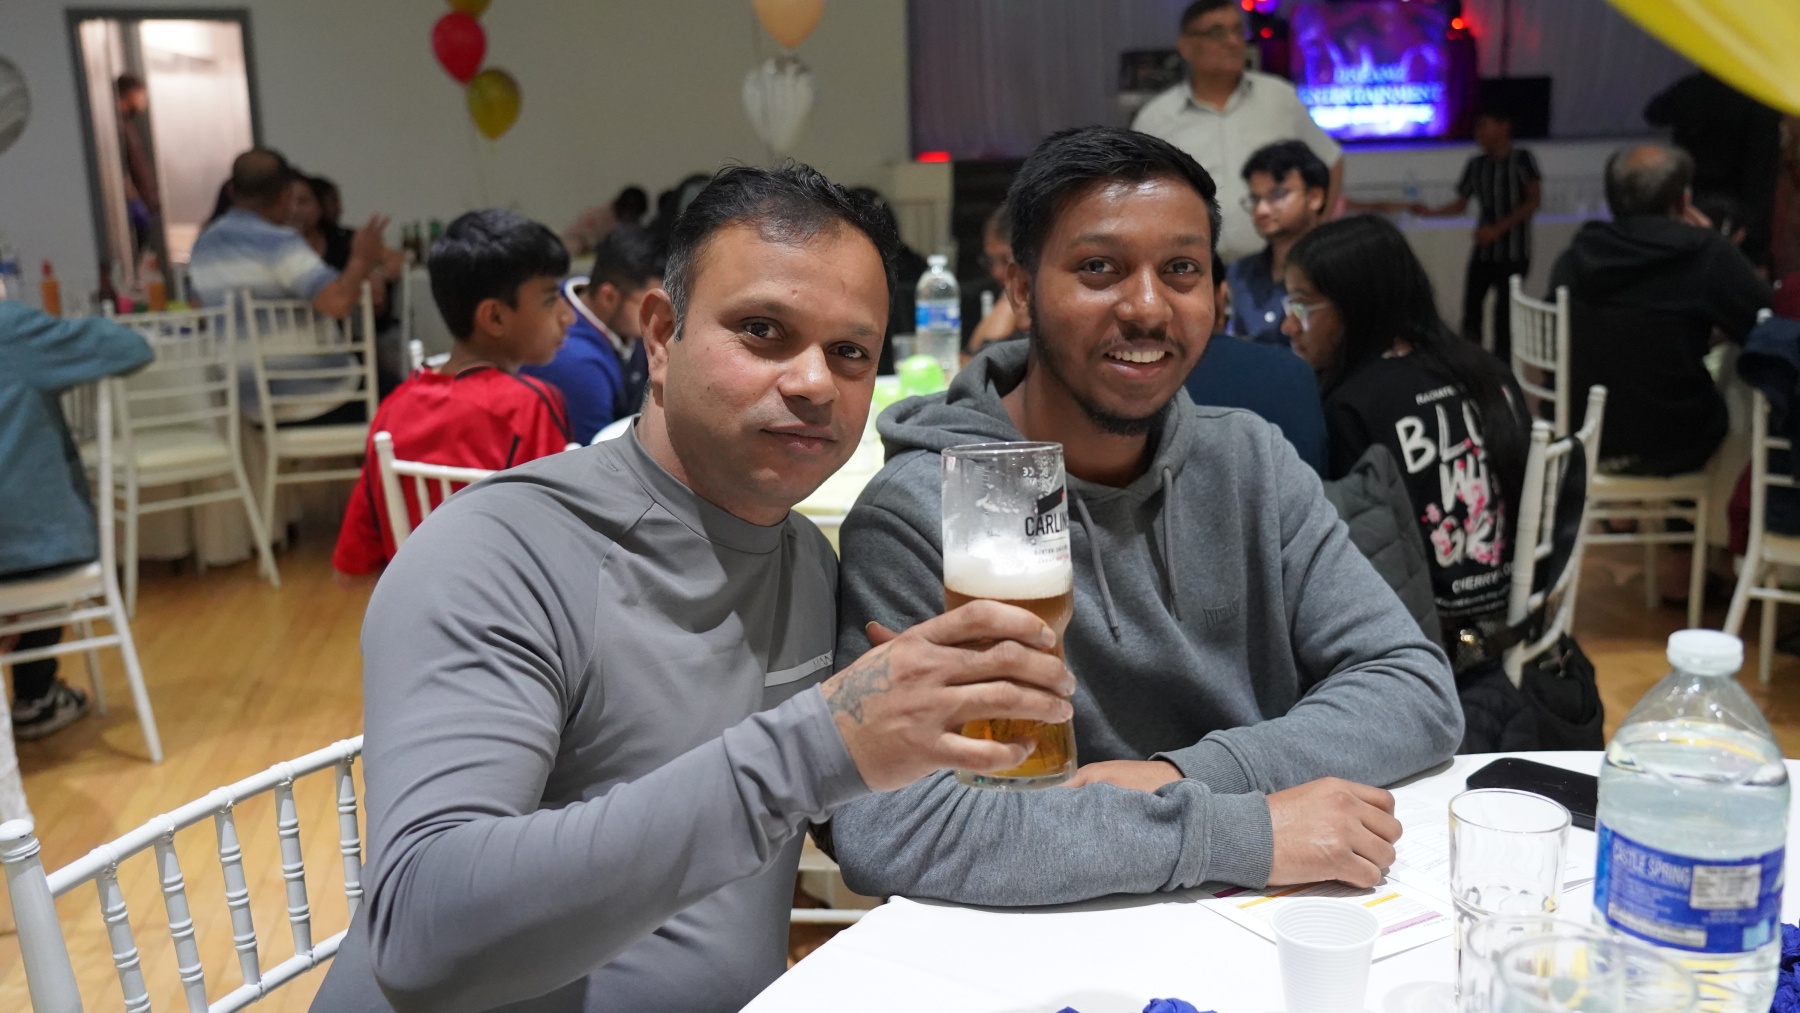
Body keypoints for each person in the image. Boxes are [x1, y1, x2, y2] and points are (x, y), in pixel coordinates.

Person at [307, 165, 1077, 1013]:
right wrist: (817, 745)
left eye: (850, 352)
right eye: (762, 330)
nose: (815, 382)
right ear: (661, 336)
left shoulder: (808, 562)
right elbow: (420, 935)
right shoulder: (500, 550)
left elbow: (864, 814)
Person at [825, 126, 1458, 909]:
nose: (1148, 307)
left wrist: (1181, 775)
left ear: (1217, 296)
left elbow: (1412, 686)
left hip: (1260, 917)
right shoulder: (925, 509)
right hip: (1044, 941)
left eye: (1181, 269)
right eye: (1100, 267)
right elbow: (888, 825)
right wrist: (1239, 830)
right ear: (1020, 288)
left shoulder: (1250, 460)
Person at [1282, 215, 1530, 666]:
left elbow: (1361, 562)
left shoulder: (1353, 405)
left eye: (1301, 306)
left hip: (1430, 645)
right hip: (1518, 622)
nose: (1288, 326)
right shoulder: (1489, 371)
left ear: (1357, 306)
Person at [332, 210, 576, 580]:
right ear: (494, 317)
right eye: (550, 300)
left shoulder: (394, 408)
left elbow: (351, 570)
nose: (567, 316)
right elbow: (558, 547)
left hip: (417, 606)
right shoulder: (531, 405)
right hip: (506, 605)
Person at [1552, 144, 1772, 479]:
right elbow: (1766, 320)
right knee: (1741, 384)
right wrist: (1718, 246)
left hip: (1582, 432)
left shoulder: (1579, 253)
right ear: (1683, 201)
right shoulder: (1704, 253)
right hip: (1673, 441)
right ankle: (1711, 507)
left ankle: (1631, 503)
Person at [1, 303, 153, 740]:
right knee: (37, 532)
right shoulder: (12, 330)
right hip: (31, 547)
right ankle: (34, 693)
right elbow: (130, 347)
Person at [1131, 0, 1342, 263]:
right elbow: (1138, 198)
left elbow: (1331, 160)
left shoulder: (1279, 98)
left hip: (1278, 266)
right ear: (1186, 47)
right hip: (1192, 268)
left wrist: (1317, 231)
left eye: (1237, 30)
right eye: (1217, 33)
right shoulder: (1155, 118)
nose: (1233, 42)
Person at [189, 148, 390, 322]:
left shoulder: (203, 244)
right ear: (285, 196)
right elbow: (337, 303)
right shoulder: (279, 242)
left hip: (231, 357)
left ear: (232, 191)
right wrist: (362, 259)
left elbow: (198, 309)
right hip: (305, 356)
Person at [1411, 108, 1541, 362]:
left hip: (1514, 250)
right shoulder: (1477, 164)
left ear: (1504, 127)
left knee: (1505, 312)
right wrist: (1431, 213)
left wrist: (1498, 229)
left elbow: (1533, 201)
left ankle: (1503, 365)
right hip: (1484, 249)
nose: (1478, 132)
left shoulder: (1522, 159)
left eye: (1484, 125)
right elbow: (1460, 204)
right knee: (1472, 308)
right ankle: (1472, 362)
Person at [1185, 248, 1328, 473]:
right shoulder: (1290, 373)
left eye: (1301, 306)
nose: (1288, 326)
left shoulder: (1128, 377)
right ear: (1223, 297)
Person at [520, 223, 664, 444]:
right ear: (608, 297)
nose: (663, 317)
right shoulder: (575, 362)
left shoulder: (622, 322)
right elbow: (599, 453)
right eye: (652, 305)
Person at [1645, 71, 1781, 268]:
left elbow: (1654, 113)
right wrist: (1757, 233)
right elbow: (1761, 170)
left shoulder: (1694, 86)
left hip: (1691, 195)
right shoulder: (1759, 96)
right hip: (1739, 201)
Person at [1226, 140, 1329, 345]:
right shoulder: (1238, 273)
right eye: (1255, 199)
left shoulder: (1339, 271)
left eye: (1277, 195)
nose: (1261, 210)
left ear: (1315, 197)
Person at [114, 74, 162, 262]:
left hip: (145, 203)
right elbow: (121, 167)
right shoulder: (117, 125)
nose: (144, 100)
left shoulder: (127, 123)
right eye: (142, 94)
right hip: (134, 204)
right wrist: (133, 199)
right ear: (130, 93)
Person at [561, 185, 651, 256]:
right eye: (629, 213)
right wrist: (583, 248)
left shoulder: (634, 226)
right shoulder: (594, 216)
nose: (629, 217)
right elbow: (568, 241)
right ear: (620, 206)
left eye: (634, 214)